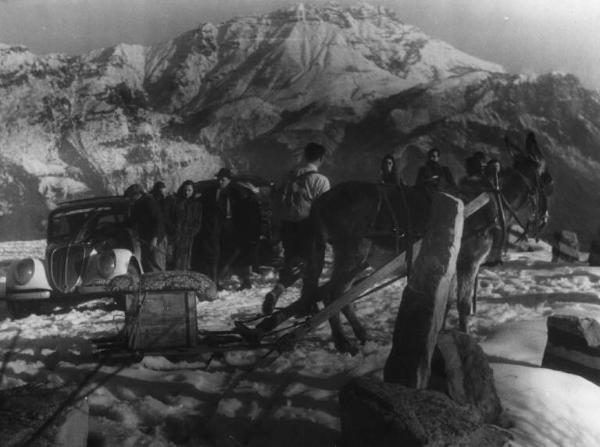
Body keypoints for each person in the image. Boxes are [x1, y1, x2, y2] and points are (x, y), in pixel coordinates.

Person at [262, 142, 330, 315]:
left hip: (288, 228)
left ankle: (275, 291)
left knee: (292, 263)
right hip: (309, 229)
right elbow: (325, 209)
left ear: (305, 155)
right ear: (321, 158)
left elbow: (276, 201)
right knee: (313, 267)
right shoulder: (320, 180)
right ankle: (306, 305)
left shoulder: (288, 175)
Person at [124, 183, 167, 272]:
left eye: (131, 197)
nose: (130, 199)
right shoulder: (136, 205)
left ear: (137, 194)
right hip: (145, 240)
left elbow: (158, 221)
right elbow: (132, 222)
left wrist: (155, 238)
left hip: (156, 240)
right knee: (148, 265)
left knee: (157, 265)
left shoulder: (149, 202)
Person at [171, 180, 202, 270]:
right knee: (175, 260)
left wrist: (190, 233)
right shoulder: (176, 203)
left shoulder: (197, 205)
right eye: (185, 190)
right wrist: (174, 229)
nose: (186, 192)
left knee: (187, 260)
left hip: (189, 237)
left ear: (193, 191)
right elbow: (171, 217)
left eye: (189, 190)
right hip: (176, 235)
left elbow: (198, 222)